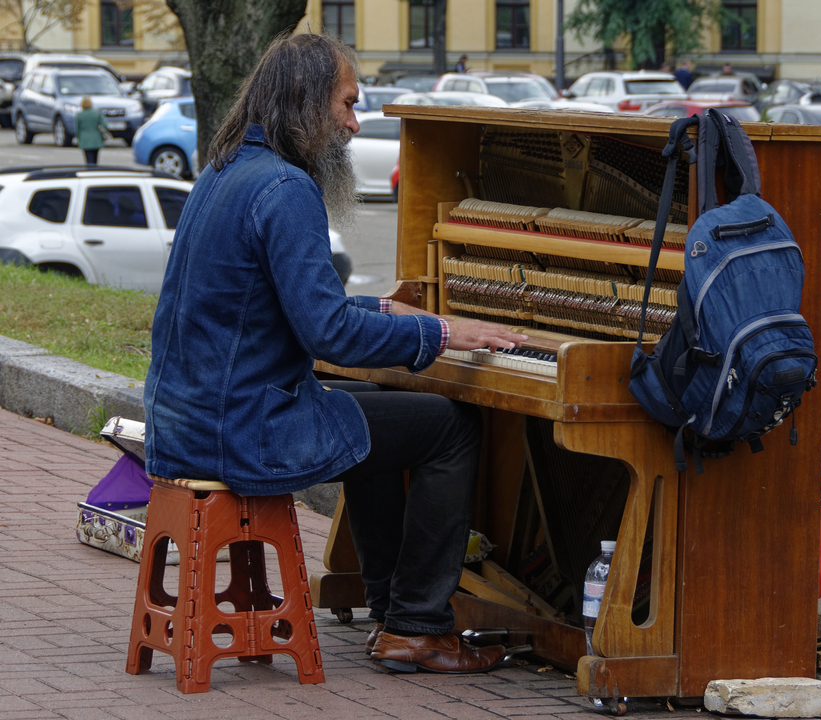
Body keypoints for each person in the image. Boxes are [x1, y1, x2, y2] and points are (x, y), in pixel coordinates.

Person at [143, 33, 528, 675]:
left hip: (191, 419)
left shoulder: (226, 169)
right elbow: (330, 335)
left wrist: (390, 311)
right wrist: (439, 334)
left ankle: (389, 610)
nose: (354, 123)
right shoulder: (286, 188)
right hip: (242, 432)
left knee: (374, 405)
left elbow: (290, 304)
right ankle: (418, 626)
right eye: (347, 104)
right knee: (451, 426)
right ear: (306, 99)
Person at [75, 97, 111, 166]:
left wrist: (78, 138)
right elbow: (105, 125)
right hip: (96, 140)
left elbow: (77, 130)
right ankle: (95, 170)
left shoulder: (79, 115)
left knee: (88, 161)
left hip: (85, 140)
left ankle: (89, 170)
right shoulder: (97, 113)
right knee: (95, 160)